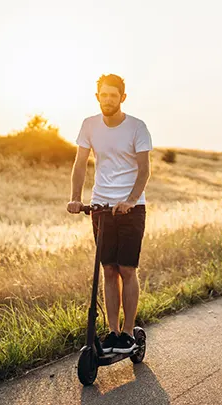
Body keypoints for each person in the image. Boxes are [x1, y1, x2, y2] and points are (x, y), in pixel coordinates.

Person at [67, 73, 152, 354]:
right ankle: (113, 332)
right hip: (101, 207)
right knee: (108, 269)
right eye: (103, 95)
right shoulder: (89, 125)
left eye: (113, 95)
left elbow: (144, 169)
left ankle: (128, 333)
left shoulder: (137, 128)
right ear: (97, 97)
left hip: (131, 209)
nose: (108, 100)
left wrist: (129, 200)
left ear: (122, 98)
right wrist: (76, 198)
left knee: (127, 268)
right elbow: (80, 164)